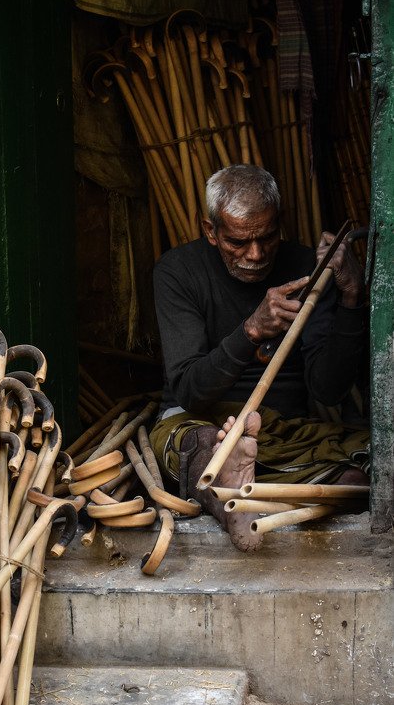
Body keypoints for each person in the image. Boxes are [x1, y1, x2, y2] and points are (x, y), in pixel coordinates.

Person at [150, 164, 369, 552]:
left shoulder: (309, 268)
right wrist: (250, 330)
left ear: (280, 222)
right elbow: (190, 391)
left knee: (360, 478)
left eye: (267, 237)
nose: (255, 254)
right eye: (237, 242)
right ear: (211, 231)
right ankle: (233, 501)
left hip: (286, 430)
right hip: (201, 418)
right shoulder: (178, 271)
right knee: (202, 446)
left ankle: (245, 486)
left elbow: (328, 390)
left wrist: (351, 296)